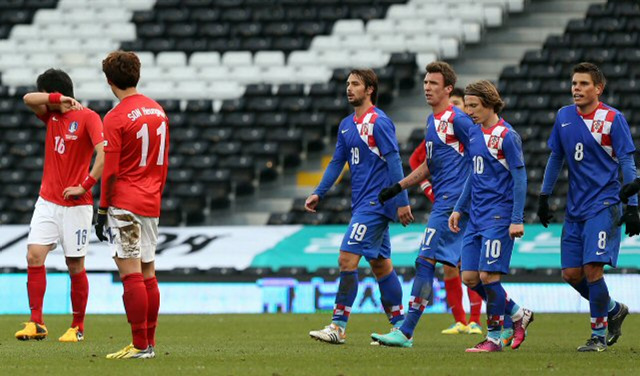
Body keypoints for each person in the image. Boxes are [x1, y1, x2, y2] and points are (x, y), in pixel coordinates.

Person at [371, 62, 478, 348]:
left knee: (425, 259)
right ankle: (516, 313)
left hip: (454, 202)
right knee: (469, 272)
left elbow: (482, 158)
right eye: (426, 82)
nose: (427, 87)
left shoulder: (459, 119)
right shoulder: (432, 122)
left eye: (433, 83)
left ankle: (405, 331)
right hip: (444, 201)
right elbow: (429, 166)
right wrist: (399, 186)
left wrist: (472, 198)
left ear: (448, 89)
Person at [306, 68, 413, 344]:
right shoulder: (346, 124)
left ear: (369, 90)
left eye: (355, 84)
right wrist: (319, 191)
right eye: (347, 84)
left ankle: (338, 326)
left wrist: (401, 201)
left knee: (346, 259)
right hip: (362, 204)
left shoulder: (379, 122)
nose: (349, 88)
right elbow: (336, 162)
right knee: (380, 265)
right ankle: (400, 327)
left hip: (376, 203)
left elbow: (394, 161)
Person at [538, 62, 637, 352]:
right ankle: (614, 309)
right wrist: (544, 196)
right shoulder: (564, 116)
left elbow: (628, 162)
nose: (576, 89)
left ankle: (597, 336)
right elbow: (556, 157)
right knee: (571, 274)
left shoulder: (612, 119)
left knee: (592, 268)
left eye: (583, 84)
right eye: (573, 84)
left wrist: (632, 206)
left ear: (598, 88)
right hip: (575, 208)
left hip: (604, 204)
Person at [15, 69, 104, 343]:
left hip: (77, 205)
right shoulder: (51, 115)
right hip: (47, 201)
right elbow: (28, 98)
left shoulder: (89, 117)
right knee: (34, 256)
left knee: (74, 264)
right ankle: (36, 323)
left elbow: (104, 153)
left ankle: (77, 327)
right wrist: (56, 99)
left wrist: (85, 184)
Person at [95, 51, 170, 359]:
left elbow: (110, 171)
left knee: (130, 274)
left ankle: (139, 345)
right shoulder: (158, 111)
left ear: (109, 81)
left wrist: (101, 209)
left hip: (125, 202)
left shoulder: (114, 117)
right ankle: (149, 344)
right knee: (148, 271)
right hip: (151, 199)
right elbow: (163, 163)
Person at [449, 80, 533, 353]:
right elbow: (474, 174)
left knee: (488, 277)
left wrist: (516, 218)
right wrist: (459, 208)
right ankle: (518, 314)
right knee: (470, 278)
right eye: (468, 105)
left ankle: (494, 338)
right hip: (475, 216)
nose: (469, 110)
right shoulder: (474, 134)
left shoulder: (507, 136)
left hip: (499, 215)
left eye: (474, 105)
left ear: (489, 103)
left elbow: (520, 177)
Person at [407, 86, 486, 336]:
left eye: (459, 103)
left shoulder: (465, 128)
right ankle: (460, 320)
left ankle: (477, 319)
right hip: (448, 204)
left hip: (469, 205)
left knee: (469, 263)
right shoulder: (437, 128)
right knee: (450, 266)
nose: (456, 107)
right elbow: (417, 161)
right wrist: (429, 190)